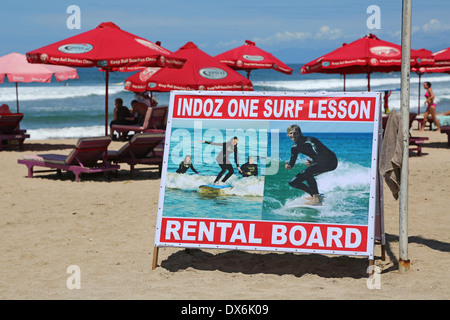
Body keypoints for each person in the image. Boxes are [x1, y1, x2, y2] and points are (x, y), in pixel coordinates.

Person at [285, 125, 338, 206]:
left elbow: (321, 153)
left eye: (295, 133)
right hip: (319, 162)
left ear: (299, 133)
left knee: (307, 173)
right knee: (293, 182)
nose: (293, 135)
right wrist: (289, 166)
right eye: (290, 133)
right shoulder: (294, 148)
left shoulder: (310, 141)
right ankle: (314, 195)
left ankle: (317, 200)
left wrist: (313, 162)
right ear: (288, 135)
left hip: (331, 161)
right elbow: (292, 162)